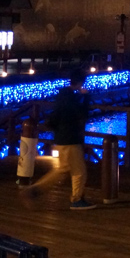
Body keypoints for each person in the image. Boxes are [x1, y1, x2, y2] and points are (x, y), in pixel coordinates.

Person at [26, 68, 96, 210]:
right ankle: (76, 200)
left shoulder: (62, 96)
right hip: (71, 138)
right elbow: (82, 114)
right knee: (79, 171)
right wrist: (87, 97)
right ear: (81, 82)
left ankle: (35, 190)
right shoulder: (71, 98)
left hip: (60, 137)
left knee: (62, 169)